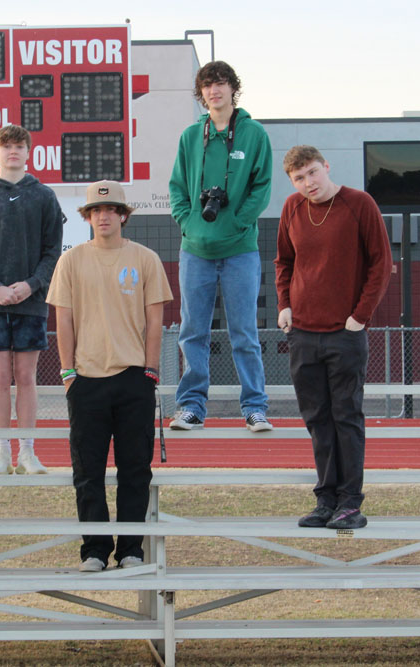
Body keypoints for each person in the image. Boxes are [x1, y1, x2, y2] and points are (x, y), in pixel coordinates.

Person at [47, 180, 172, 571]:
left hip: (134, 376)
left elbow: (156, 320)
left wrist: (150, 369)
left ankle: (131, 549)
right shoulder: (71, 261)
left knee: (136, 469)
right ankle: (95, 551)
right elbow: (62, 320)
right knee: (89, 472)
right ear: (87, 217)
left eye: (110, 210)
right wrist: (68, 372)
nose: (103, 216)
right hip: (86, 380)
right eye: (95, 211)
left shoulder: (145, 258)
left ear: (123, 215)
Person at [276, 145, 392, 530]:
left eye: (312, 173)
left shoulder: (360, 204)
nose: (308, 183)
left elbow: (381, 263)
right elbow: (284, 261)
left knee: (346, 417)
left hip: (345, 334)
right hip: (303, 334)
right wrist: (285, 305)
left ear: (326, 167)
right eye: (299, 178)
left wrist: (360, 317)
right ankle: (325, 499)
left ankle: (350, 503)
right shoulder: (293, 208)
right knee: (317, 420)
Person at [168, 60, 274, 433]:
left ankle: (255, 407)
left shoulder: (254, 134)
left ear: (233, 89)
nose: (215, 90)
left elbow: (262, 188)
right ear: (201, 94)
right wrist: (188, 221)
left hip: (240, 250)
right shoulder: (190, 137)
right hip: (194, 250)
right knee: (192, 331)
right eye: (208, 85)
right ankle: (192, 406)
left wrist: (238, 221)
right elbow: (177, 188)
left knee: (244, 332)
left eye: (221, 83)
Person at [0, 124, 64, 475]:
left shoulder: (44, 197)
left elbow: (53, 252)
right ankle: (1, 451)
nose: (13, 152)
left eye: (19, 146)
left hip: (31, 302)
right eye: (7, 146)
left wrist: (32, 284)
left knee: (27, 375)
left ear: (29, 151)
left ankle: (28, 451)